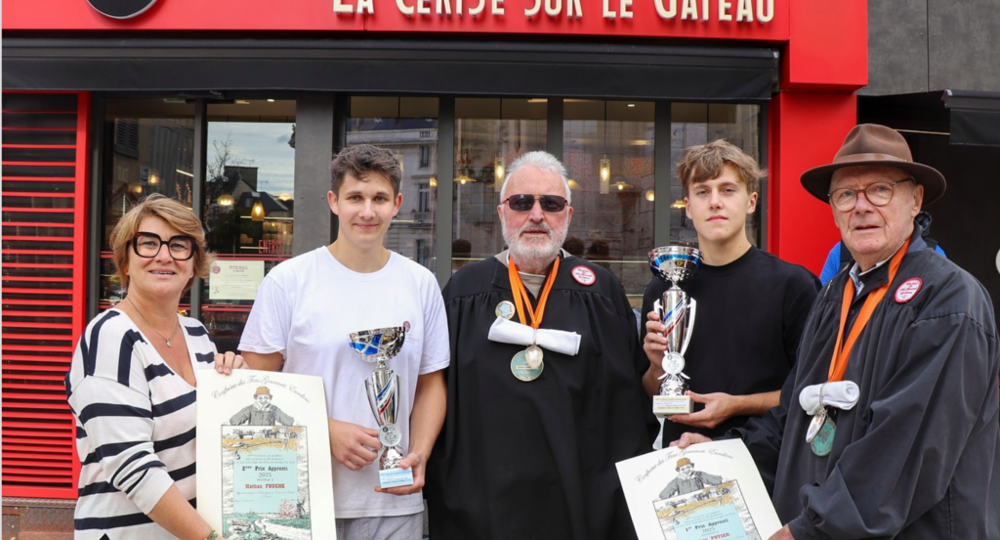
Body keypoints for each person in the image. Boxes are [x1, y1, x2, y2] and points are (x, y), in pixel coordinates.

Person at [675, 124, 999, 540]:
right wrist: (724, 457)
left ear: (915, 199)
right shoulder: (835, 293)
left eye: (880, 190)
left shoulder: (947, 299)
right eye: (846, 194)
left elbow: (905, 444)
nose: (860, 207)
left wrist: (810, 529)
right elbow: (794, 417)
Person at [425, 151, 658, 540]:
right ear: (503, 213)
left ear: (567, 215)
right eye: (522, 202)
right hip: (485, 505)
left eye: (551, 204)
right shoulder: (465, 292)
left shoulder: (601, 291)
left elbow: (628, 407)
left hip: (581, 504)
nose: (536, 214)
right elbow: (438, 393)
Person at [239, 144, 449, 540]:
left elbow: (430, 383)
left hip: (392, 500)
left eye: (379, 199)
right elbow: (252, 389)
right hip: (301, 498)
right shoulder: (289, 281)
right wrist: (323, 428)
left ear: (397, 204)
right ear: (334, 202)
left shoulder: (420, 284)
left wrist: (420, 450)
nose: (367, 212)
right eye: (356, 197)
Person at [65, 194, 245, 540]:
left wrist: (235, 381)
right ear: (126, 261)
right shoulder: (112, 336)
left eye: (179, 245)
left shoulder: (196, 334)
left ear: (194, 264)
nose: (164, 255)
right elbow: (133, 467)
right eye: (148, 243)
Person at [640, 140, 820, 445]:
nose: (714, 202)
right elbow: (650, 390)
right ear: (688, 207)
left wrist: (737, 405)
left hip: (764, 461)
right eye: (702, 191)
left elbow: (811, 390)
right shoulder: (664, 287)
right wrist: (657, 365)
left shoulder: (793, 285)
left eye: (727, 190)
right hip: (681, 455)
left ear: (751, 202)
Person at [819, 210, 946, 285]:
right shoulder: (841, 252)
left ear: (915, 202)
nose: (864, 208)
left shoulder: (933, 253)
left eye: (882, 190)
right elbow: (821, 312)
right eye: (848, 193)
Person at [658, 457, 723, 499]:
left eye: (688, 467)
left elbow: (715, 480)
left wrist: (721, 479)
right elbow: (664, 495)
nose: (686, 470)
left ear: (692, 467)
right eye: (683, 469)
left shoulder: (699, 474)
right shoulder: (676, 481)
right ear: (678, 471)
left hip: (703, 498)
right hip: (688, 502)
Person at [229, 386, 294, 426]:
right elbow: (235, 420)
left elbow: (285, 420)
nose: (263, 400)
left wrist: (292, 422)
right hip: (253, 436)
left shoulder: (273, 409)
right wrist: (232, 422)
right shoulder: (250, 409)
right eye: (260, 398)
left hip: (269, 435)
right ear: (256, 398)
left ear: (270, 398)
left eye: (266, 398)